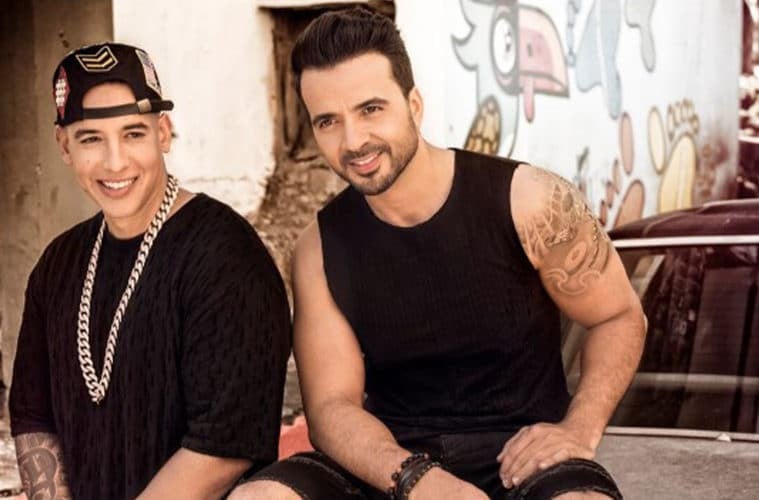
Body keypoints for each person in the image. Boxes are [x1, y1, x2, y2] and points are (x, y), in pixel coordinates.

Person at [231, 7, 646, 500]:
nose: (353, 140)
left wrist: (579, 428)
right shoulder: (319, 249)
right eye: (328, 121)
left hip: (524, 460)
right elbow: (331, 407)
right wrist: (416, 480)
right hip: (391, 463)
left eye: (371, 109)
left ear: (414, 104)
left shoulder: (529, 201)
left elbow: (619, 316)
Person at [9, 42, 291, 500]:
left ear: (163, 132)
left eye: (133, 134)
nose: (115, 161)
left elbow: (224, 445)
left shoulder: (225, 256)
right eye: (91, 139)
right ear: (64, 146)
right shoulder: (58, 265)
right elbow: (32, 416)